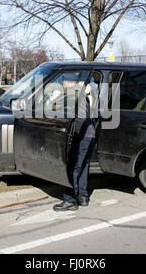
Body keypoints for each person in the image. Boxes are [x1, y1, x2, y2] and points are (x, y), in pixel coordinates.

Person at [53, 78, 97, 212]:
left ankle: (70, 200)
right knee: (83, 166)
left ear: (70, 82)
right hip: (90, 133)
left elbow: (55, 106)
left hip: (82, 133)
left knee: (73, 167)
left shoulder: (72, 93)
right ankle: (82, 196)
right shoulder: (85, 93)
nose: (63, 85)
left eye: (64, 82)